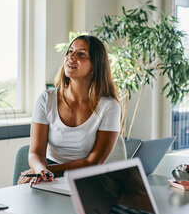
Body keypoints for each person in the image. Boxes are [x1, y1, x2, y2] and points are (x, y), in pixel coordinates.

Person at [17, 35, 121, 185]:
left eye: (81, 54)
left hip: (87, 177)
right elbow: (35, 153)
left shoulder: (110, 106)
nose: (71, 57)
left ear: (95, 66)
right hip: (50, 172)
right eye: (70, 51)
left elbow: (94, 162)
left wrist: (52, 170)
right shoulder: (46, 99)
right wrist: (40, 170)